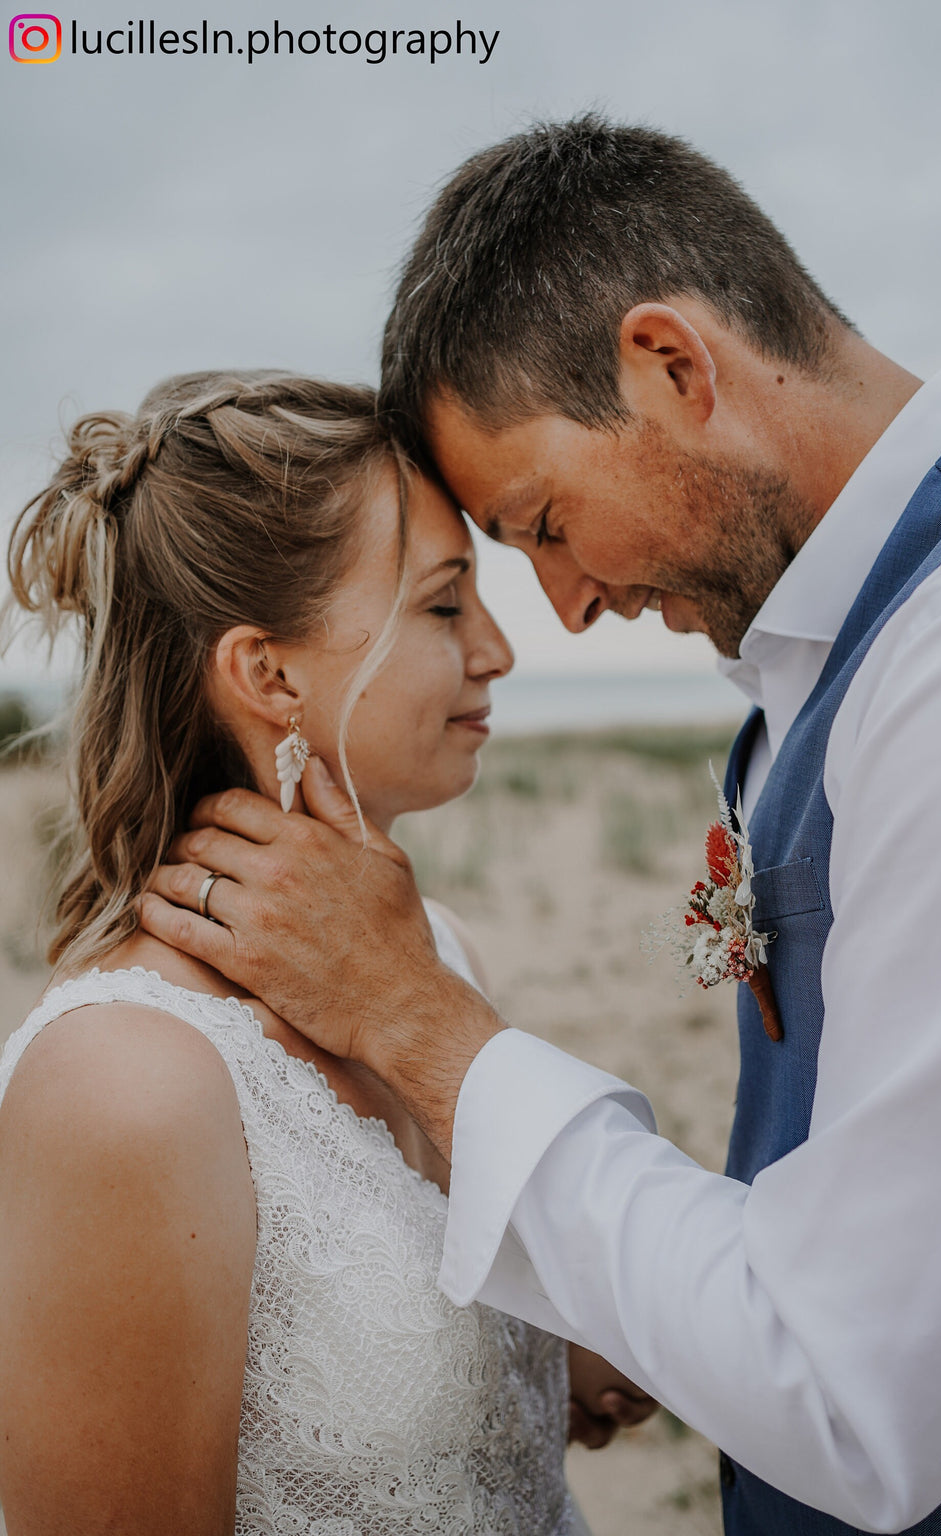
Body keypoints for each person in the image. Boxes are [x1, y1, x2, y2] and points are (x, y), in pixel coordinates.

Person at [137, 119, 941, 1535]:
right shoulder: (865, 646)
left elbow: (865, 1394)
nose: (560, 607)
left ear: (671, 366)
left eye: (542, 521)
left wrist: (420, 1024)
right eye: (464, 587)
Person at [0, 369, 653, 1536]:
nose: (499, 650)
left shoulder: (433, 955)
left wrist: (548, 1362)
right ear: (268, 673)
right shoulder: (126, 1086)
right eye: (446, 605)